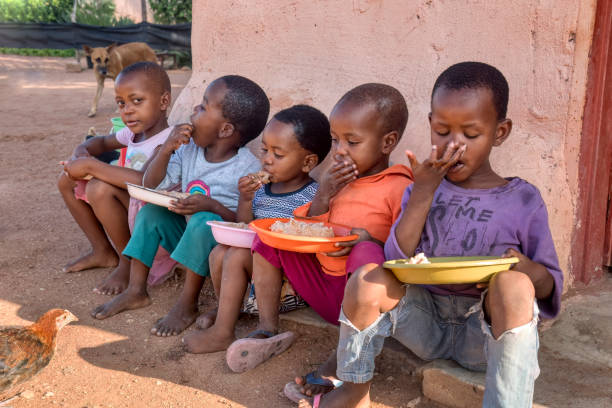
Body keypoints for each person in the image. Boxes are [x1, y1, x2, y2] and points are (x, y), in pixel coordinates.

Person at [294, 62, 564, 408]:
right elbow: (395, 259)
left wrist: (524, 269)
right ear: (430, 126)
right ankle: (352, 390)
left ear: (500, 132)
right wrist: (422, 193)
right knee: (367, 279)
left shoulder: (523, 199)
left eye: (470, 134)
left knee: (514, 286)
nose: (455, 144)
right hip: (424, 323)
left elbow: (548, 285)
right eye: (442, 131)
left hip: (481, 334)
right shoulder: (421, 187)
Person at [224, 83, 414, 373]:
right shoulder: (335, 181)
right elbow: (304, 230)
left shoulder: (400, 186)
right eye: (335, 140)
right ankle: (267, 329)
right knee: (272, 237)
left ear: (387, 143)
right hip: (324, 292)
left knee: (364, 249)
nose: (339, 151)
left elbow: (408, 253)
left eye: (352, 142)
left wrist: (372, 241)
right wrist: (324, 193)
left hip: (365, 300)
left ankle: (346, 356)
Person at [90, 75, 270, 322]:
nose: (195, 110)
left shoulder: (247, 167)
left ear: (225, 129)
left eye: (204, 107)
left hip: (216, 255)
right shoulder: (187, 150)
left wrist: (212, 206)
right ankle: (136, 289)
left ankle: (188, 303)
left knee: (202, 220)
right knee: (151, 211)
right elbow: (150, 185)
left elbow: (246, 225)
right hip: (182, 239)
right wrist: (166, 149)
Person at [165, 105, 331, 349]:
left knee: (236, 256)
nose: (266, 159)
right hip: (254, 280)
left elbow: (308, 240)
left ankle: (252, 329)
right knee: (220, 252)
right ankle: (228, 311)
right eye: (265, 150)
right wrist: (245, 199)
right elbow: (245, 226)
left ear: (307, 162)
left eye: (278, 154)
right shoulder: (261, 190)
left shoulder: (311, 196)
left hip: (288, 288)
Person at [58, 62, 173, 295]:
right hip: (130, 208)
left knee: (99, 188)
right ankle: (102, 251)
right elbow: (98, 142)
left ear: (163, 101)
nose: (127, 110)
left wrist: (91, 165)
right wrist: (80, 154)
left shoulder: (169, 140)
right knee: (66, 180)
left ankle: (128, 261)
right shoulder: (134, 133)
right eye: (121, 103)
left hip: (153, 224)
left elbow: (145, 181)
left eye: (137, 101)